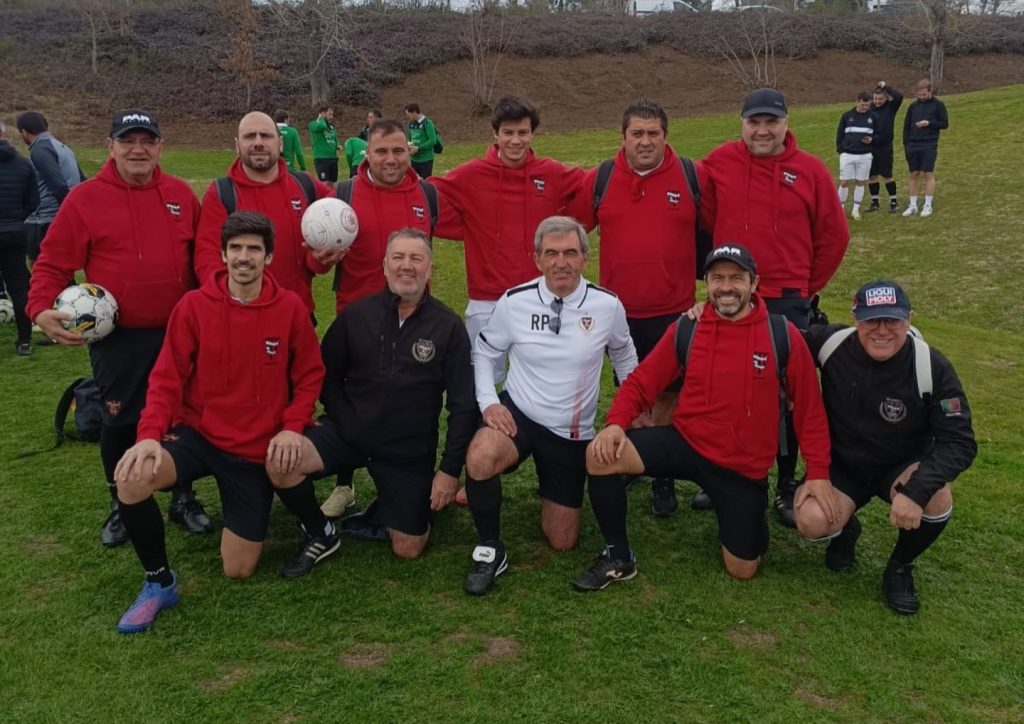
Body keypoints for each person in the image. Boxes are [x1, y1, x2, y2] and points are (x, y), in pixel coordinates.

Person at [112, 211, 337, 634]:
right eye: (235, 248)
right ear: (222, 254)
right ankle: (159, 583)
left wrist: (292, 426)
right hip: (199, 436)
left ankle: (275, 503)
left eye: (253, 249)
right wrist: (148, 436)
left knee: (238, 569)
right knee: (132, 479)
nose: (244, 257)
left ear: (269, 257)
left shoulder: (289, 307)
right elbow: (166, 378)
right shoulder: (193, 306)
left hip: (253, 450)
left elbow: (310, 376)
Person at [586, 244, 833, 585]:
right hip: (686, 443)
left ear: (754, 283)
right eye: (717, 278)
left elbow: (810, 410)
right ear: (707, 282)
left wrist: (817, 472)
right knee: (599, 456)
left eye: (736, 278)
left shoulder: (781, 334)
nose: (726, 287)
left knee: (742, 570)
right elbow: (642, 382)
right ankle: (618, 556)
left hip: (741, 467)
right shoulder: (688, 327)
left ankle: (743, 517)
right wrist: (615, 423)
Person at [26, 109, 205, 547]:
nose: (138, 149)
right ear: (111, 146)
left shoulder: (181, 194)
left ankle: (183, 496)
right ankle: (122, 502)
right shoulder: (85, 199)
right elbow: (52, 263)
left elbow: (202, 260)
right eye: (128, 141)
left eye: (147, 141)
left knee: (182, 417)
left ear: (160, 147)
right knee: (121, 420)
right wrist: (38, 309)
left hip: (180, 332)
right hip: (118, 337)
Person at [267, 228, 478, 560]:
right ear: (384, 266)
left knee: (408, 549)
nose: (406, 266)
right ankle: (319, 530)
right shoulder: (356, 315)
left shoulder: (448, 327)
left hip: (406, 450)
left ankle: (397, 506)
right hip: (348, 434)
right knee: (281, 464)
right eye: (398, 257)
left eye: (416, 258)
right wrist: (347, 420)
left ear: (429, 269)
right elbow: (324, 375)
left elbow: (463, 405)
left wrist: (449, 470)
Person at [462, 216, 637, 595]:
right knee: (480, 456)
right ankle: (489, 548)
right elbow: (485, 351)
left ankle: (551, 489)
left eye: (570, 253)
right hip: (519, 415)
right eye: (552, 253)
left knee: (562, 540)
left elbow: (624, 355)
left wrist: (629, 408)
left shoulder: (607, 305)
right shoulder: (514, 302)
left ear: (585, 258)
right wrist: (489, 402)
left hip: (570, 432)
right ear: (537, 258)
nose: (561, 263)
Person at [701, 87, 849, 524]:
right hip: (731, 293)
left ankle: (785, 483)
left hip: (786, 299)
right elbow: (705, 218)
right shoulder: (719, 162)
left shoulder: (811, 171)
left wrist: (801, 286)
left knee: (786, 393)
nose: (762, 130)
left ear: (786, 123)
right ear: (742, 123)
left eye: (772, 122)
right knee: (726, 386)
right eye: (754, 122)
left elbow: (834, 237)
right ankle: (724, 474)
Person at [795, 280, 976, 615]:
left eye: (892, 320)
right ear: (855, 318)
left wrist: (916, 491)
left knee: (936, 496)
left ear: (908, 318)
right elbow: (775, 339)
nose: (881, 330)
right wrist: (710, 311)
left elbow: (959, 441)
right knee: (810, 519)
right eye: (871, 320)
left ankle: (900, 566)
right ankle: (845, 529)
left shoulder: (931, 365)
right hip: (843, 465)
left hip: (900, 468)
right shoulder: (831, 343)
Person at [568, 99, 707, 518]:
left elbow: (719, 232)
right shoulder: (601, 179)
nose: (645, 141)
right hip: (619, 313)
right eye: (637, 134)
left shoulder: (691, 175)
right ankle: (632, 455)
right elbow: (572, 232)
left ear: (665, 136)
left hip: (675, 310)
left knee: (668, 392)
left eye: (653, 133)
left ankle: (662, 472)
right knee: (630, 388)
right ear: (623, 137)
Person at [194, 111, 341, 318]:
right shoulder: (222, 193)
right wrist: (231, 299)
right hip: (243, 315)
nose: (258, 143)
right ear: (237, 145)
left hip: (297, 314)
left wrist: (321, 258)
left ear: (280, 143)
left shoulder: (305, 185)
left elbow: (337, 217)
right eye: (249, 136)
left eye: (266, 136)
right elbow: (207, 257)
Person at [331, 119, 458, 315]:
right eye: (381, 151)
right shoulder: (342, 196)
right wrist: (320, 260)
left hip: (414, 317)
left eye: (398, 151)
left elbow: (475, 228)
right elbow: (313, 262)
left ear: (409, 152)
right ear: (367, 153)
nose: (391, 160)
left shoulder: (427, 195)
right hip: (358, 319)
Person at [14, 111, 84, 266]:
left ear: (24, 132)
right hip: (58, 216)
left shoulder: (40, 150)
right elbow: (82, 180)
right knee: (60, 266)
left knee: (40, 265)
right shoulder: (63, 147)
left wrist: (69, 212)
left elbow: (58, 185)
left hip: (45, 219)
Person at [0, 119, 39, 356]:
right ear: (4, 135)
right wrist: (16, 219)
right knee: (19, 287)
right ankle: (24, 341)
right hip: (14, 233)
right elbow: (33, 201)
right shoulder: (23, 164)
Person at [901, 79, 949, 218]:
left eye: (924, 94)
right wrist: (906, 144)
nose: (922, 97)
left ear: (930, 91)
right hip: (913, 144)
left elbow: (944, 123)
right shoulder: (913, 107)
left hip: (929, 143)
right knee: (914, 174)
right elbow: (906, 126)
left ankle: (928, 205)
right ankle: (913, 205)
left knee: (928, 173)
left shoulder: (938, 105)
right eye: (919, 95)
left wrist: (929, 123)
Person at [835, 91, 878, 221]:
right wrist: (841, 150)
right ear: (857, 102)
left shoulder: (873, 117)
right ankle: (840, 210)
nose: (865, 107)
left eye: (867, 105)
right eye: (863, 105)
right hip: (848, 154)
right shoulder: (847, 116)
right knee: (844, 182)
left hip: (865, 155)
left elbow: (880, 135)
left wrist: (872, 140)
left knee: (860, 182)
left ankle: (855, 210)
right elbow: (839, 134)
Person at [867, 81, 903, 213]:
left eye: (880, 99)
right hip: (870, 146)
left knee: (887, 175)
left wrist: (886, 87)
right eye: (875, 99)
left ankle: (893, 202)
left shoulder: (891, 107)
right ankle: (874, 202)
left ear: (886, 98)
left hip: (885, 147)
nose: (877, 101)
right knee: (872, 176)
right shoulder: (869, 109)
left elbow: (899, 96)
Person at [404, 103, 438, 179]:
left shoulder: (427, 123)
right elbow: (410, 139)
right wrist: (409, 147)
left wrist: (418, 148)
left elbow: (432, 141)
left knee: (425, 182)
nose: (407, 117)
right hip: (414, 160)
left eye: (408, 114)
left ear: (414, 112)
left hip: (425, 160)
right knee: (415, 181)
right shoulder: (411, 124)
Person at [309, 105, 339, 183]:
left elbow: (335, 137)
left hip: (333, 158)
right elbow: (322, 126)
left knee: (333, 182)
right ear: (323, 113)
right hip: (322, 159)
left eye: (332, 114)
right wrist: (321, 118)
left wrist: (337, 145)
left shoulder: (331, 126)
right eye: (330, 114)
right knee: (324, 183)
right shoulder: (314, 124)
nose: (332, 117)